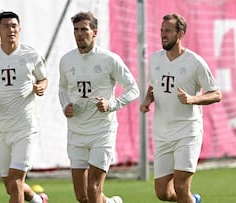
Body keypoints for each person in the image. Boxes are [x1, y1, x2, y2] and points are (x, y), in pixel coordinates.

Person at [58, 11, 140, 203]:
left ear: (94, 32)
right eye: (76, 30)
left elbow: (133, 89)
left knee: (93, 189)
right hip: (76, 132)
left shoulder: (109, 59)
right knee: (82, 196)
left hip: (102, 131)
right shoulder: (66, 60)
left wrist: (112, 105)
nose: (79, 34)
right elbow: (62, 88)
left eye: (84, 29)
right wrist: (65, 106)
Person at [140, 13, 222, 203]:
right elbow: (154, 86)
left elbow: (216, 93)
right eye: (161, 30)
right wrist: (147, 100)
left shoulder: (195, 62)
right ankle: (194, 201)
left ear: (180, 34)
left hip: (187, 131)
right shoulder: (155, 60)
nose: (163, 34)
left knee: (181, 186)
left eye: (168, 30)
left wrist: (193, 99)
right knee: (163, 193)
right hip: (162, 133)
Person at [0, 11, 48, 203]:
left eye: (14, 26)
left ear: (19, 29)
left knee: (15, 181)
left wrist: (40, 87)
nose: (10, 30)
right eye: (6, 26)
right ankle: (38, 200)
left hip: (25, 128)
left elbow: (43, 79)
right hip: (0, 129)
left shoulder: (31, 54)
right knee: (10, 185)